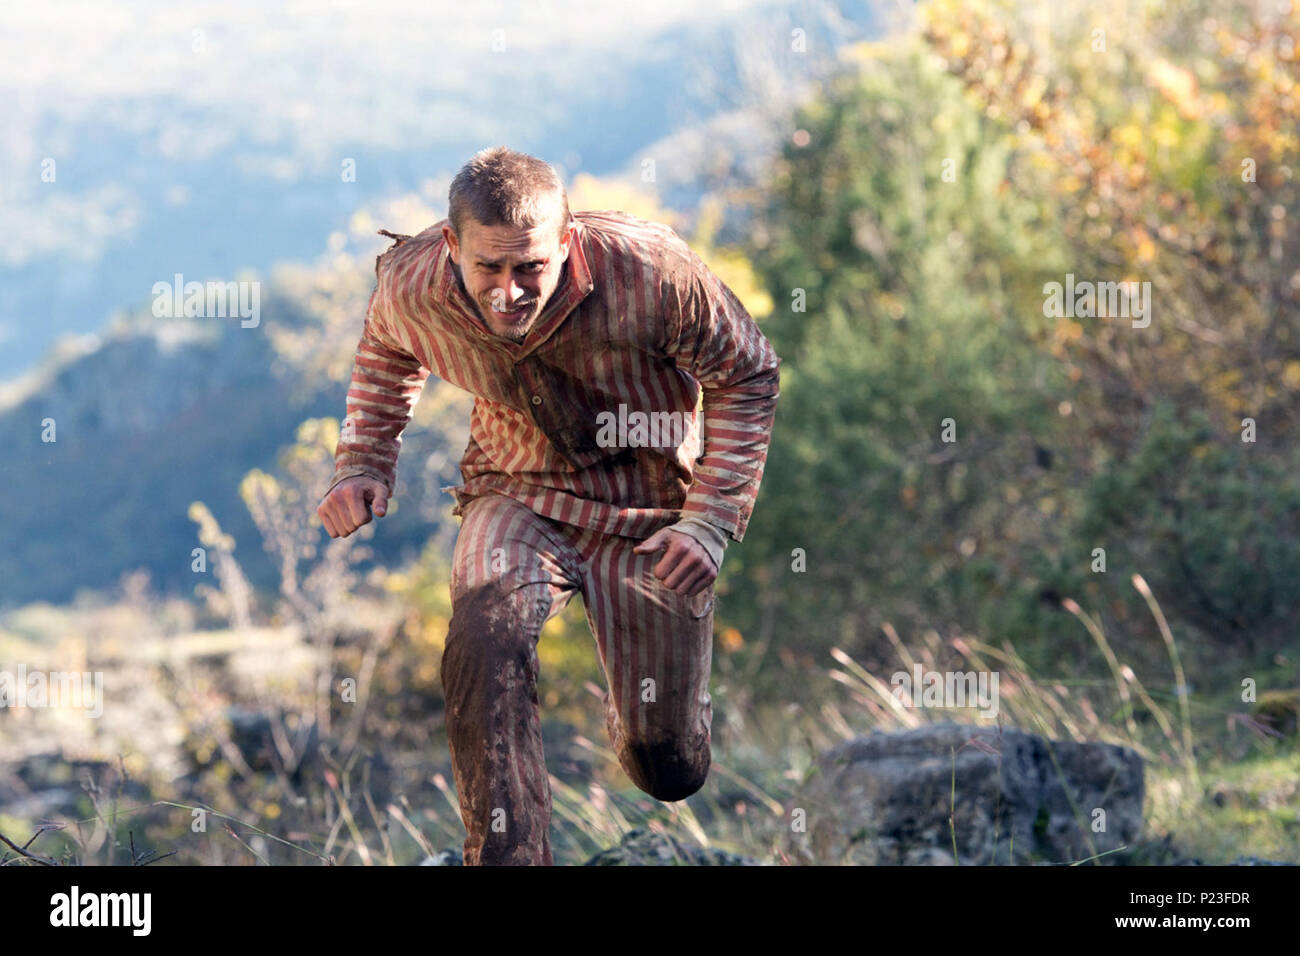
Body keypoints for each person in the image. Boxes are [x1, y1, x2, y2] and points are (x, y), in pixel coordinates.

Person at [316, 146, 780, 865]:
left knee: (669, 767)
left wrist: (713, 519)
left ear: (566, 240)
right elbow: (384, 355)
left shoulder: (653, 271)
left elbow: (748, 374)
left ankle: (645, 719)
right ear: (452, 248)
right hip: (516, 489)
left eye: (530, 266)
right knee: (485, 631)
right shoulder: (411, 284)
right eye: (488, 268)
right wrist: (363, 463)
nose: (509, 292)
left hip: (649, 510)